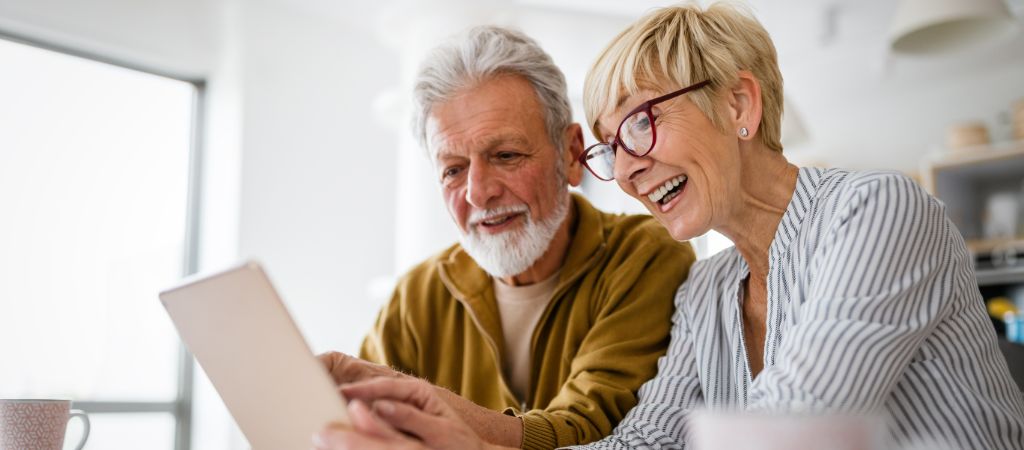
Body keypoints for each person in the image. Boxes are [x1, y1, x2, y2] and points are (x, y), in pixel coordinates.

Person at [312, 3, 1024, 450]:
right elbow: (643, 443)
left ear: (739, 104)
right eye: (609, 145)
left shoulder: (877, 212)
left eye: (641, 124)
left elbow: (786, 433)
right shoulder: (710, 289)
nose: (623, 172)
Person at [316, 25, 695, 450]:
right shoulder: (416, 298)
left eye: (506, 156)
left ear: (571, 155)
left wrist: (416, 403)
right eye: (453, 169)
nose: (478, 192)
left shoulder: (643, 257)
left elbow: (590, 431)